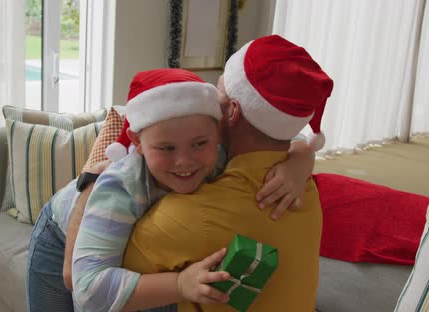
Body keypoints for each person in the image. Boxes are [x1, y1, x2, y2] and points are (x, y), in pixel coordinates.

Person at [27, 68, 313, 312]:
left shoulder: (222, 152)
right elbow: (87, 289)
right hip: (59, 235)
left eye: (200, 144)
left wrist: (300, 161)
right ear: (136, 142)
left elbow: (288, 138)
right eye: (166, 148)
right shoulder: (120, 188)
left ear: (219, 134)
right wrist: (178, 284)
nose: (185, 161)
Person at [122, 34, 333, 312]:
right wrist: (303, 156)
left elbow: (101, 286)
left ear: (232, 111)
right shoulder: (304, 188)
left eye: (218, 89)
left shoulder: (186, 215)